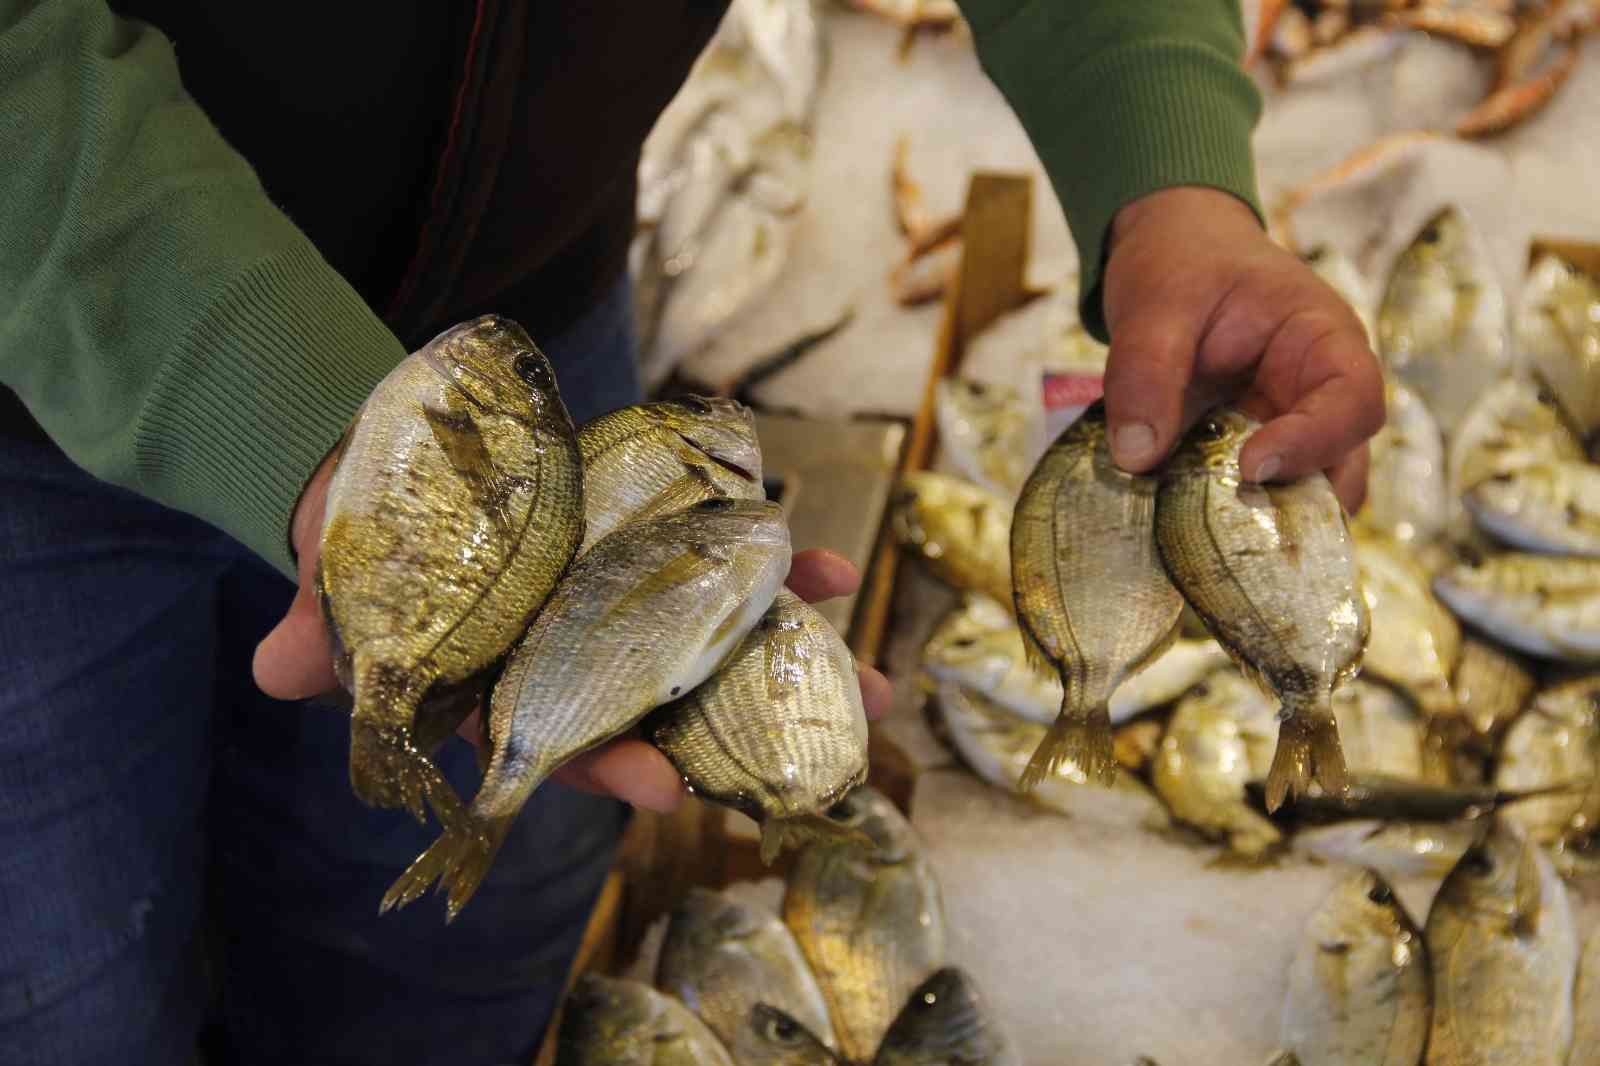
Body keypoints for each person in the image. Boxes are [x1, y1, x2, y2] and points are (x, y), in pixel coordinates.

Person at [0, 2, 1383, 1063]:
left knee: (455, 965)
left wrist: (1167, 164)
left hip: (518, 346)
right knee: (63, 1002)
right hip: (29, 369)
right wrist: (341, 462)